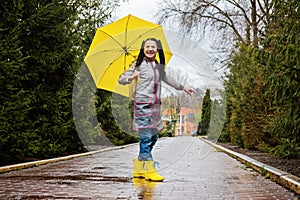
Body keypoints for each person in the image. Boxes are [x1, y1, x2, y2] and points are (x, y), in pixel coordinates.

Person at [118, 38, 195, 181]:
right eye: (147, 46)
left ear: (157, 49)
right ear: (143, 49)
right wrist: (132, 76)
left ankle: (139, 168)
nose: (150, 49)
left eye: (153, 46)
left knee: (153, 137)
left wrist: (184, 87)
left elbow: (170, 79)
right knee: (146, 137)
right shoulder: (137, 64)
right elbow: (121, 79)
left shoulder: (159, 67)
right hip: (142, 104)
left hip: (155, 107)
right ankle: (150, 170)